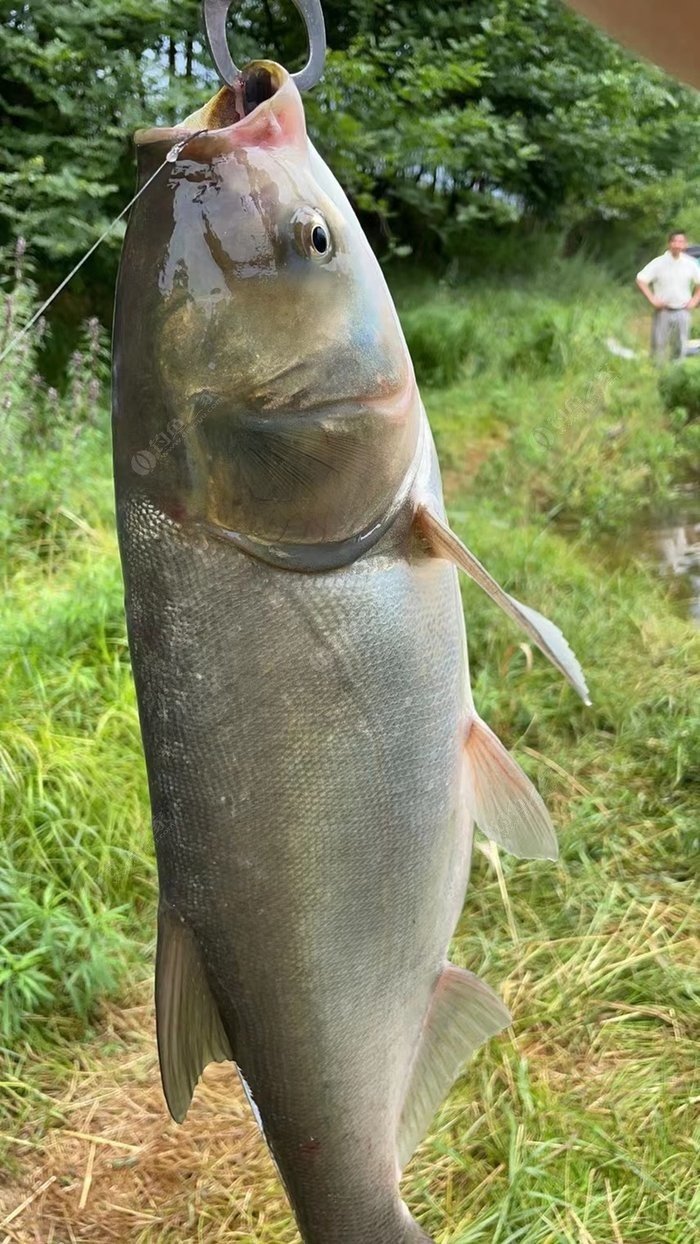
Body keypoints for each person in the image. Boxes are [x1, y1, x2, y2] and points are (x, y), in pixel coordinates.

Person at [636, 232, 700, 362]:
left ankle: (676, 375)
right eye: (675, 241)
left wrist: (694, 301)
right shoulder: (659, 263)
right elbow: (640, 279)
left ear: (685, 244)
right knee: (659, 345)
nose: (677, 245)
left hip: (683, 310)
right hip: (663, 311)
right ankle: (656, 373)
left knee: (680, 345)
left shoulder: (691, 263)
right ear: (669, 243)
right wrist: (652, 299)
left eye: (681, 242)